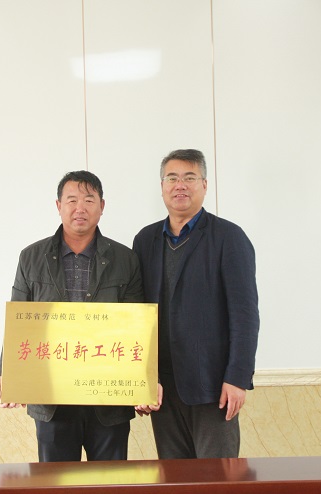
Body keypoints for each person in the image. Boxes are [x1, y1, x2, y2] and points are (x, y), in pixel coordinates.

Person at [0, 170, 145, 462]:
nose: (80, 208)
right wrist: (7, 373)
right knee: (55, 482)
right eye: (72, 200)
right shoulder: (31, 257)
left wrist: (146, 382)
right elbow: (18, 321)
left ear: (102, 206)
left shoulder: (125, 259)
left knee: (112, 481)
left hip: (108, 398)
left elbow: (137, 326)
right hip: (52, 398)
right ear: (58, 205)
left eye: (89, 200)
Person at [132, 149, 259, 459]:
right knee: (174, 478)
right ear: (162, 186)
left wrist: (237, 378)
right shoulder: (145, 240)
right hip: (163, 389)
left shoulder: (229, 237)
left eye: (189, 178)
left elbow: (244, 316)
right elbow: (137, 315)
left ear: (204, 185)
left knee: (217, 477)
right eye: (172, 178)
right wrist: (140, 379)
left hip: (213, 387)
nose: (180, 185)